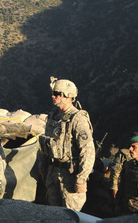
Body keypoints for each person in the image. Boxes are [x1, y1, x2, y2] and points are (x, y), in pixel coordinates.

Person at [38, 77, 95, 211]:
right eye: (54, 93)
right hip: (52, 173)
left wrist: (81, 178)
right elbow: (45, 146)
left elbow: (87, 151)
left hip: (70, 177)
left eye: (57, 94)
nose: (53, 96)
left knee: (72, 215)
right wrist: (44, 170)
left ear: (68, 96)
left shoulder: (77, 119)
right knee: (55, 214)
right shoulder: (53, 116)